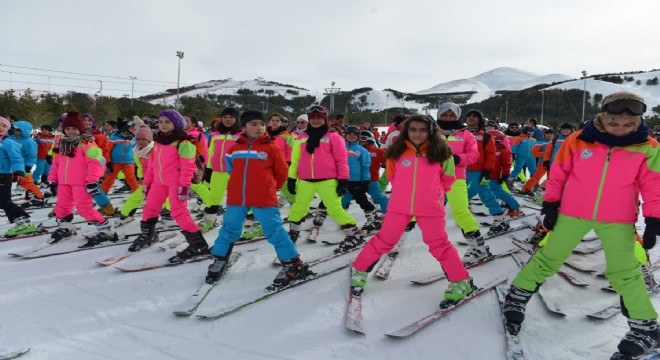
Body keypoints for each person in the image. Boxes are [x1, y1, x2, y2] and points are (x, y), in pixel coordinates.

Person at [502, 91, 660, 359]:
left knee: (625, 272)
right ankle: (517, 296)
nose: (620, 130)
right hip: (572, 213)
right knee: (548, 258)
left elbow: (654, 185)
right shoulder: (579, 139)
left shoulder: (648, 146)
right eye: (614, 123)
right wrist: (550, 204)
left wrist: (655, 218)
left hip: (617, 218)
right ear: (602, 117)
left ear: (638, 122)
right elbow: (559, 172)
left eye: (628, 125)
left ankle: (645, 327)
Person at [350, 115, 477, 307]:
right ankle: (360, 269)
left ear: (431, 131)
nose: (418, 134)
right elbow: (392, 176)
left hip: (430, 207)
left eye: (423, 130)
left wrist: (433, 194)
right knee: (385, 240)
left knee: (439, 244)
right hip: (399, 206)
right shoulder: (397, 153)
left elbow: (448, 179)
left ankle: (461, 281)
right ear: (406, 131)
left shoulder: (443, 154)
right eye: (413, 129)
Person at [206, 111, 312, 287]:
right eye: (254, 124)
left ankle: (292, 263)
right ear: (244, 127)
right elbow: (230, 168)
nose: (259, 128)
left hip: (263, 196)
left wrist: (270, 187)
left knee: (273, 230)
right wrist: (240, 183)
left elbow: (281, 173)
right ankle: (220, 258)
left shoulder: (272, 148)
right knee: (229, 227)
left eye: (262, 124)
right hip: (237, 196)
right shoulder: (235, 148)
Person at [136, 109, 210, 263]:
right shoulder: (157, 142)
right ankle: (149, 234)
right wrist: (147, 183)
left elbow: (188, 166)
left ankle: (198, 244)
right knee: (150, 208)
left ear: (176, 123)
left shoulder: (184, 142)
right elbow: (152, 166)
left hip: (176, 183)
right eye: (161, 122)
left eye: (167, 122)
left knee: (178, 212)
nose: (163, 125)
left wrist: (184, 186)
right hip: (158, 182)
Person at [286, 105, 362, 253]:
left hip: (328, 180)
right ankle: (293, 234)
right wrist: (291, 178)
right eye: (312, 118)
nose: (315, 120)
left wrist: (343, 180)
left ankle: (353, 234)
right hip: (305, 181)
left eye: (319, 118)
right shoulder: (300, 138)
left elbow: (341, 160)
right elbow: (295, 161)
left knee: (334, 210)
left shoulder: (333, 137)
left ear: (325, 119)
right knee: (298, 208)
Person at [48, 111, 117, 244]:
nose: (71, 132)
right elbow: (56, 163)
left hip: (81, 183)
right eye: (67, 129)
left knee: (84, 208)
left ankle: (105, 227)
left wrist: (92, 181)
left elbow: (95, 165)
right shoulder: (63, 145)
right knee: (62, 206)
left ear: (80, 129)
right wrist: (53, 179)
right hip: (64, 183)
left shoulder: (87, 145)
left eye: (74, 129)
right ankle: (65, 226)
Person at [436, 103, 489, 265]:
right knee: (422, 211)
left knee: (460, 212)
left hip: (456, 178)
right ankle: (397, 243)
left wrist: (458, 159)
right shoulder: (431, 133)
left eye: (452, 116)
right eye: (445, 115)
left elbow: (473, 155)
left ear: (457, 116)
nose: (448, 118)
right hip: (432, 178)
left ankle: (478, 247)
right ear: (439, 115)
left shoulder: (465, 135)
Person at [463, 109, 508, 235]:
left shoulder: (486, 136)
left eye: (475, 116)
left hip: (478, 171)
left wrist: (487, 171)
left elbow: (491, 155)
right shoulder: (460, 133)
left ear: (480, 119)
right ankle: (463, 215)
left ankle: (500, 220)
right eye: (469, 116)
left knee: (485, 194)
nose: (471, 118)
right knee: (462, 194)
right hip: (461, 170)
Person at [199, 108, 241, 232]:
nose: (228, 120)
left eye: (231, 117)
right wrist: (208, 169)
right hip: (218, 171)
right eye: (225, 117)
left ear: (237, 119)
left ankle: (251, 222)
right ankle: (209, 220)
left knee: (240, 197)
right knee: (214, 196)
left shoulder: (241, 135)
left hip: (235, 171)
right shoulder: (215, 134)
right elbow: (211, 152)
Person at [0, 116, 38, 237]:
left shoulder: (8, 143)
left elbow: (17, 158)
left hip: (3, 174)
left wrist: (19, 171)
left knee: (4, 201)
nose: (1, 128)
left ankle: (23, 222)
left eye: (4, 126)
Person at [341, 126, 382, 233]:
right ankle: (344, 219)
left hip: (356, 180)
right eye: (349, 134)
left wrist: (366, 180)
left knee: (361, 199)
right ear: (345, 135)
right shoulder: (339, 148)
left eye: (354, 135)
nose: (351, 136)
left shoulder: (362, 150)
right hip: (341, 179)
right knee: (340, 200)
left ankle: (372, 220)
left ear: (358, 137)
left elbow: (365, 166)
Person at [342, 130, 389, 214]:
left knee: (378, 197)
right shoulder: (353, 150)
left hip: (371, 180)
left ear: (369, 140)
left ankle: (387, 212)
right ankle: (341, 212)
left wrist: (388, 164)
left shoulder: (377, 151)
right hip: (355, 180)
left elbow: (389, 160)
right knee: (347, 196)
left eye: (363, 139)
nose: (360, 141)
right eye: (360, 138)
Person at [520, 128, 555, 196]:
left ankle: (544, 187)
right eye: (547, 133)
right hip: (543, 162)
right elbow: (534, 153)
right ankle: (526, 189)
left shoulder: (555, 142)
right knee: (536, 177)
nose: (549, 135)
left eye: (551, 134)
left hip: (553, 163)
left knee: (551, 178)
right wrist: (546, 153)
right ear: (544, 135)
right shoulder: (540, 142)